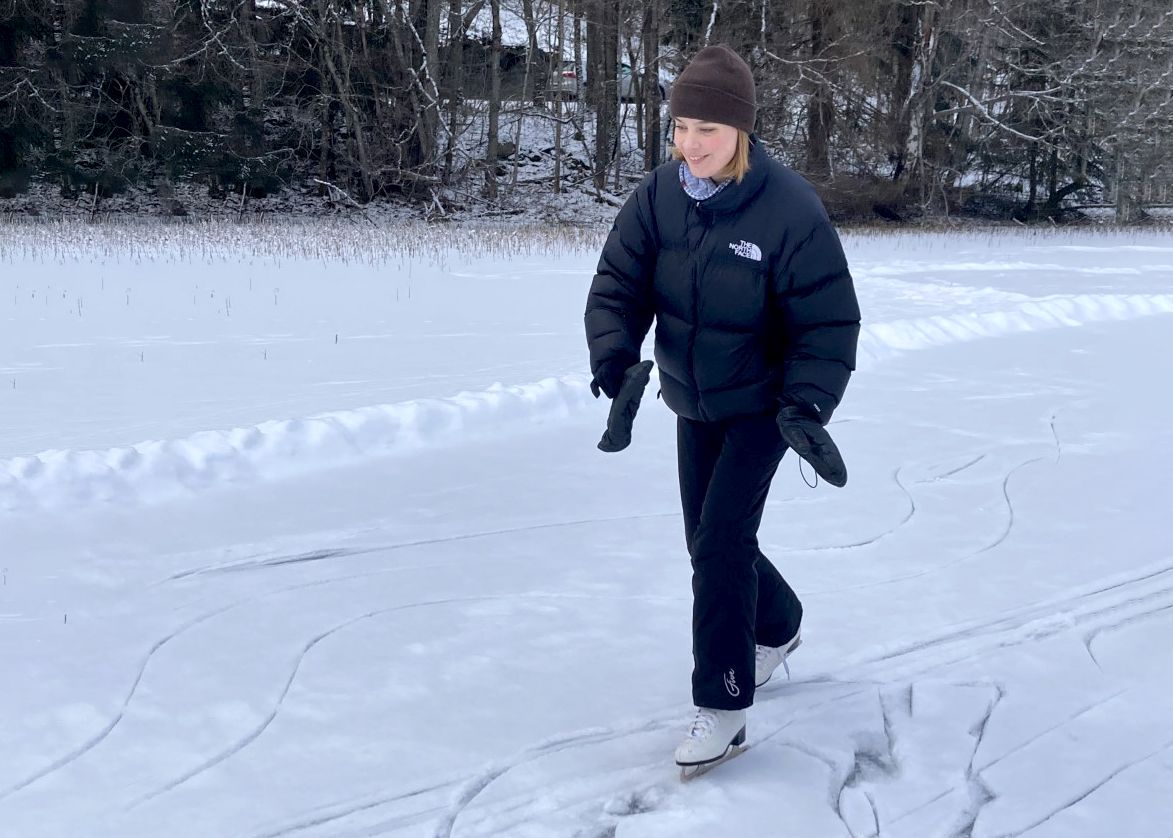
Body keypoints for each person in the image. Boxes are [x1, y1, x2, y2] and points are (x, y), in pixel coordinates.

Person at [583, 44, 861, 770]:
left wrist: (806, 402)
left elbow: (827, 322)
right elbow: (619, 284)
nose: (689, 143)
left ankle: (723, 706)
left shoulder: (787, 208)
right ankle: (779, 623)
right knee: (705, 541)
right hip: (692, 399)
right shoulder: (658, 195)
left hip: (763, 407)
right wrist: (614, 359)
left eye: (706, 127)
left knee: (719, 547)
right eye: (679, 126)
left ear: (739, 130)